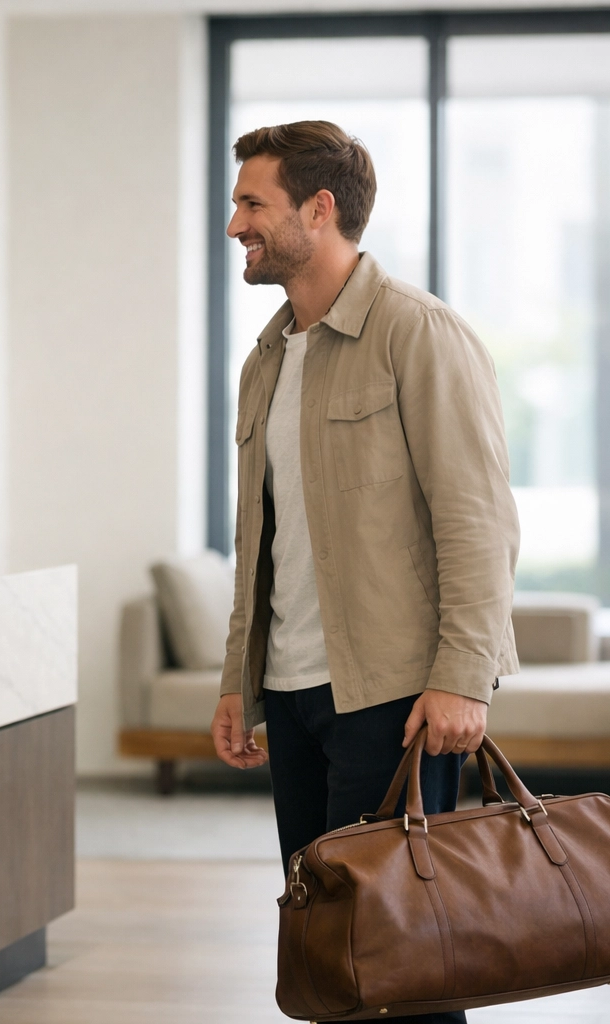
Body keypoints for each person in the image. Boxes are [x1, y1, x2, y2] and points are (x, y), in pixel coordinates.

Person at [208, 121, 519, 1024]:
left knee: (403, 956)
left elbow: (478, 519)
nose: (236, 225)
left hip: (392, 695)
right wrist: (240, 683)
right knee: (329, 950)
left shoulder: (417, 332)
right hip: (294, 693)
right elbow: (259, 545)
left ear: (320, 207)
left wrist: (465, 678)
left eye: (251, 203)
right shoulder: (267, 360)